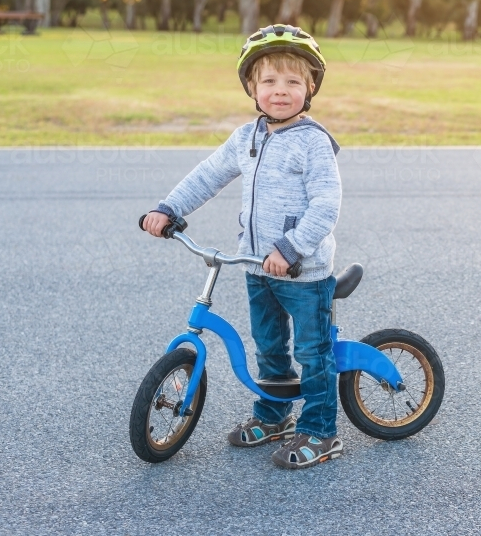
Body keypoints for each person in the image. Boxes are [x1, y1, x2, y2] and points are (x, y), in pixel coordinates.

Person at [142, 24, 343, 470]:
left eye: (293, 81)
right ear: (251, 87)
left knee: (313, 354)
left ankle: (321, 431)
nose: (280, 91)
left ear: (311, 87)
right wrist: (168, 208)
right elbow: (207, 176)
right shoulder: (246, 137)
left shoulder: (313, 143)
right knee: (269, 349)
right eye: (269, 81)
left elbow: (327, 205)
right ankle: (274, 416)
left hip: (301, 272)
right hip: (256, 267)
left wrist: (291, 249)